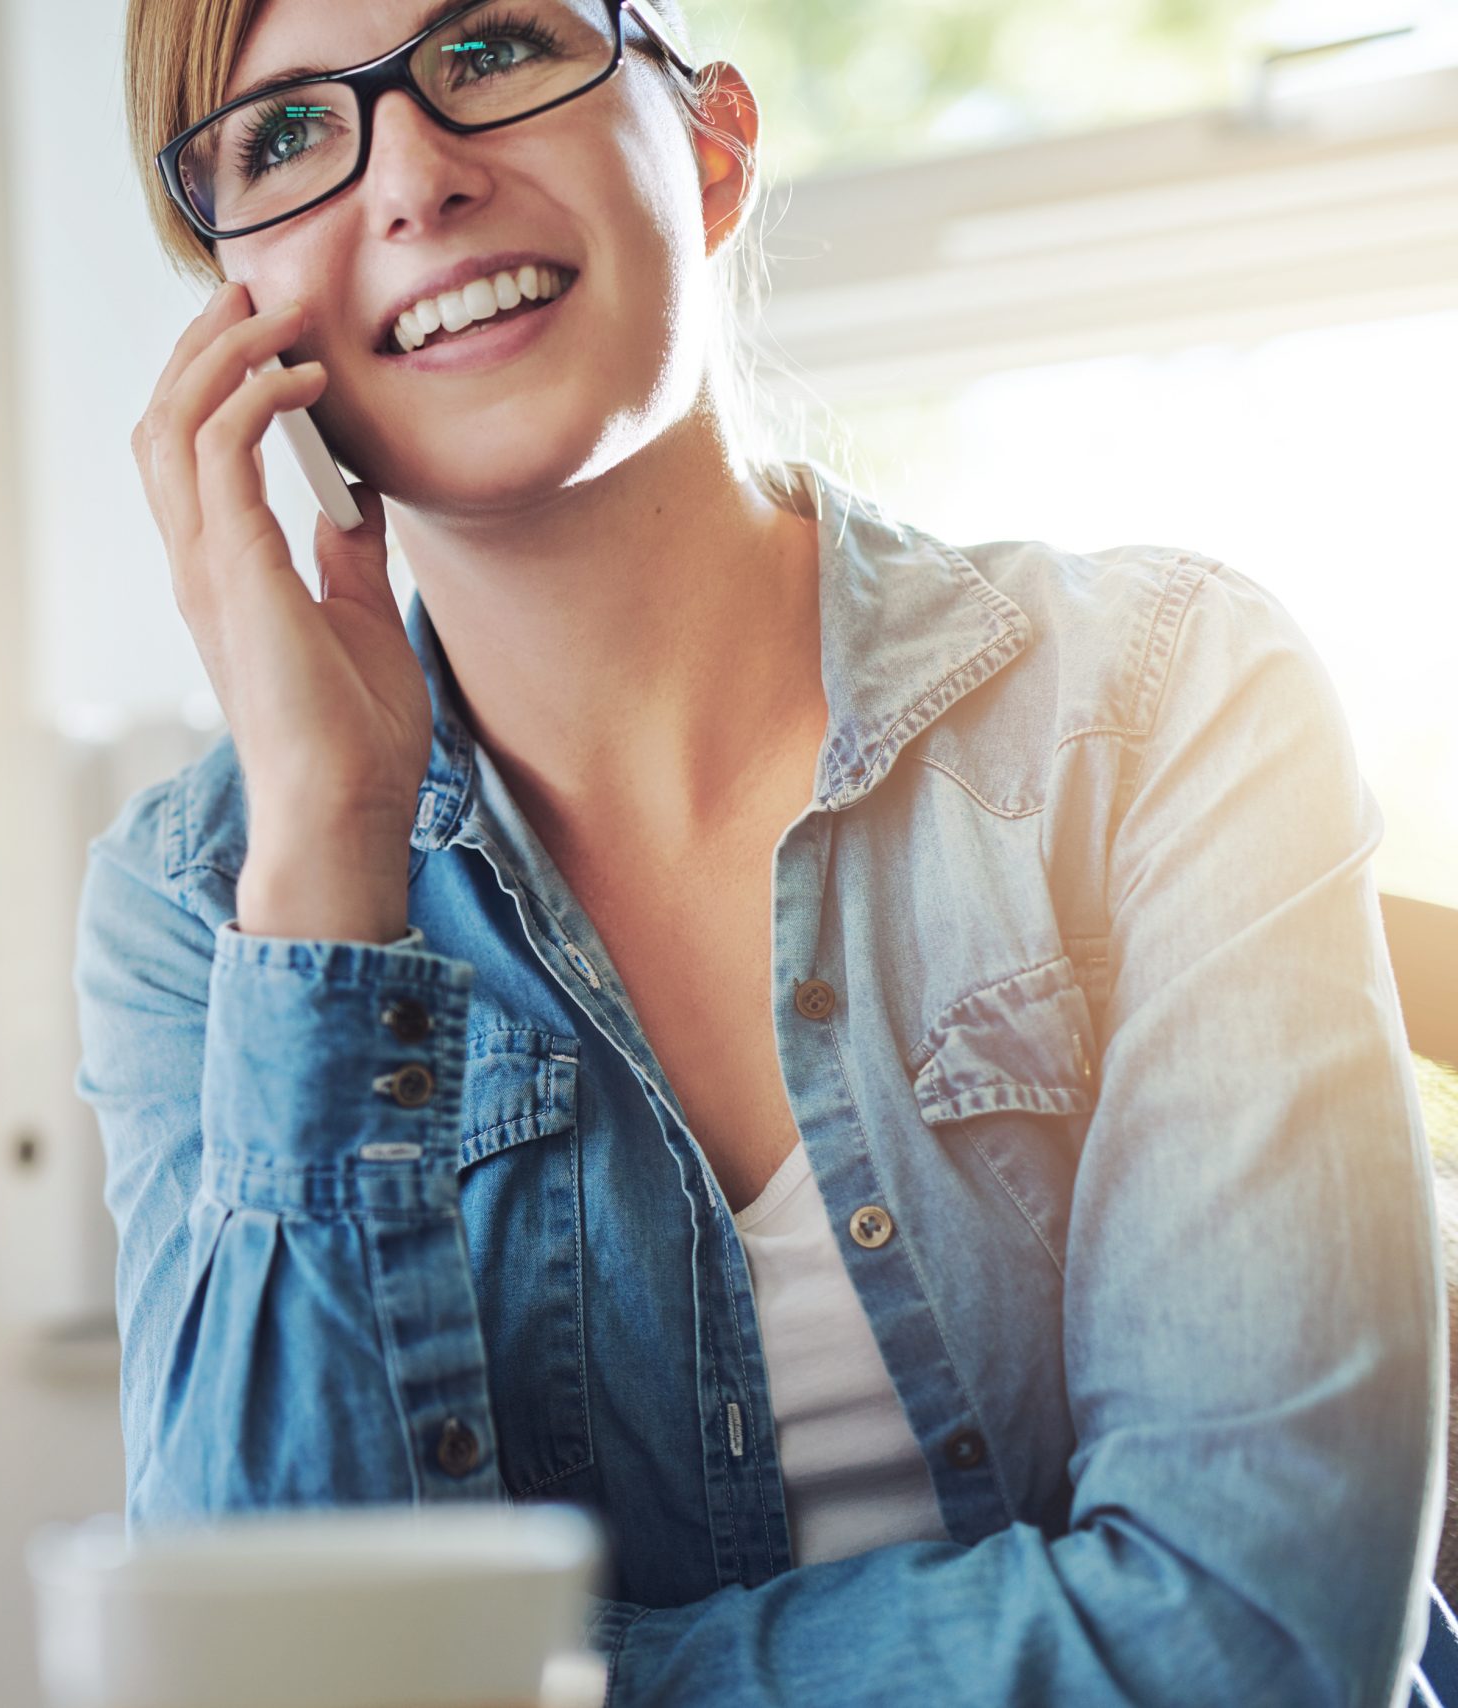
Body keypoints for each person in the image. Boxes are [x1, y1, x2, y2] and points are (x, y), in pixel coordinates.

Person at [71, 0, 1451, 1701]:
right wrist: (328, 861)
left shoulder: (1167, 698)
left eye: (491, 48)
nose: (415, 176)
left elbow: (1255, 1639)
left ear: (713, 147)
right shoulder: (203, 905)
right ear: (235, 316)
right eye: (282, 136)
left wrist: (534, 1682)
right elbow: (265, 1677)